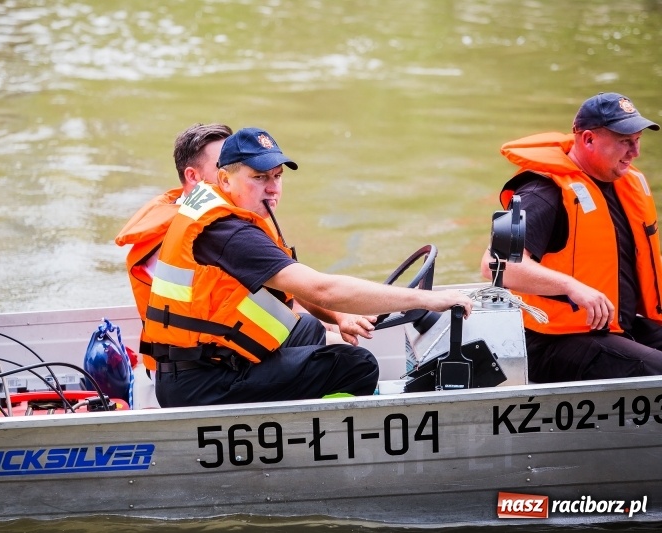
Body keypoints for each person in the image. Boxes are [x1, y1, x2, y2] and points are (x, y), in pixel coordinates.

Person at [145, 127, 474, 407]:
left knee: (310, 328)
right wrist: (426, 299)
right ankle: (315, 445)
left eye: (277, 177)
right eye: (258, 178)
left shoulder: (233, 213)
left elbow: (296, 286)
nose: (272, 189)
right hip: (202, 383)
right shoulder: (227, 232)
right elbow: (323, 289)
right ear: (224, 179)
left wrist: (340, 317)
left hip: (208, 360)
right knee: (356, 365)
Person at [480, 92, 662, 382]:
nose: (635, 152)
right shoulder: (542, 192)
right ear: (588, 139)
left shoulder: (621, 183)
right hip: (551, 342)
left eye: (637, 140)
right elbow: (495, 265)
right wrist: (571, 286)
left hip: (612, 327)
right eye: (625, 141)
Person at [115, 123, 233, 373]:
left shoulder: (198, 213)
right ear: (192, 176)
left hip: (197, 358)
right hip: (198, 370)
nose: (235, 172)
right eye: (224, 165)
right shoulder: (198, 233)